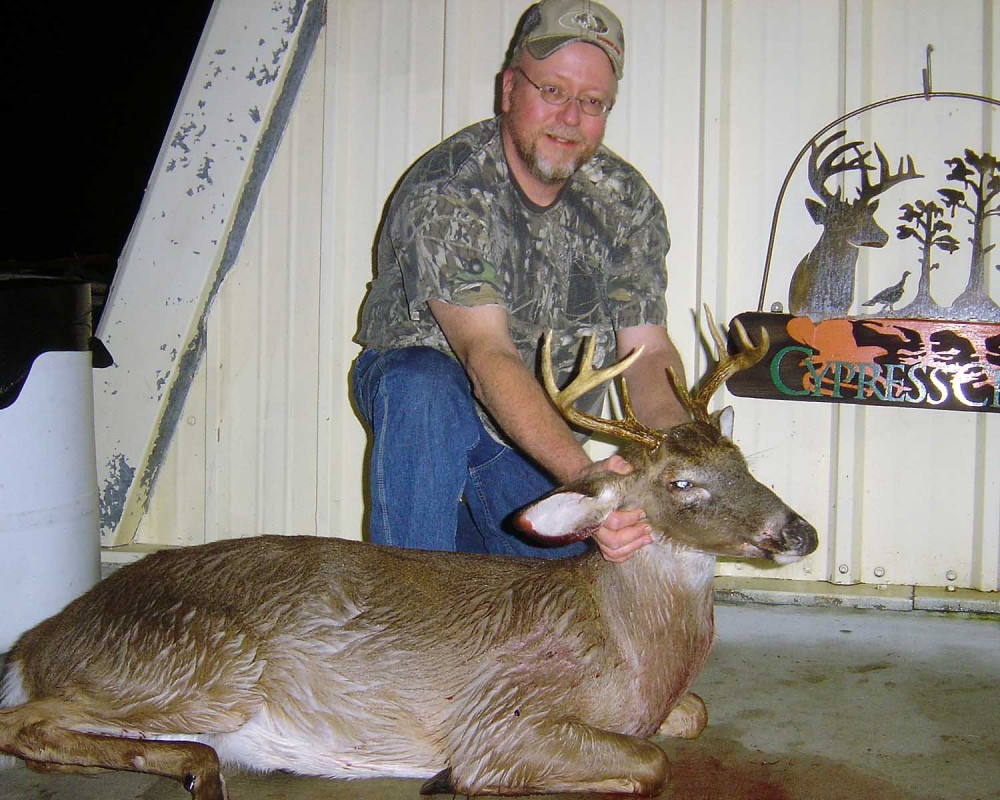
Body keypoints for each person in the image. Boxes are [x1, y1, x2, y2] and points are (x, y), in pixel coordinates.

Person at [351, 0, 689, 561]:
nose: (570, 116)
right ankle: (406, 604)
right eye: (552, 91)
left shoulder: (626, 202)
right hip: (432, 410)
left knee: (570, 605)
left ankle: (465, 551)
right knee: (423, 384)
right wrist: (584, 482)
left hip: (532, 442)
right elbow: (486, 357)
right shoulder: (451, 189)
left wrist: (682, 452)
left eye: (592, 102)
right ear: (509, 88)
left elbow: (648, 351)